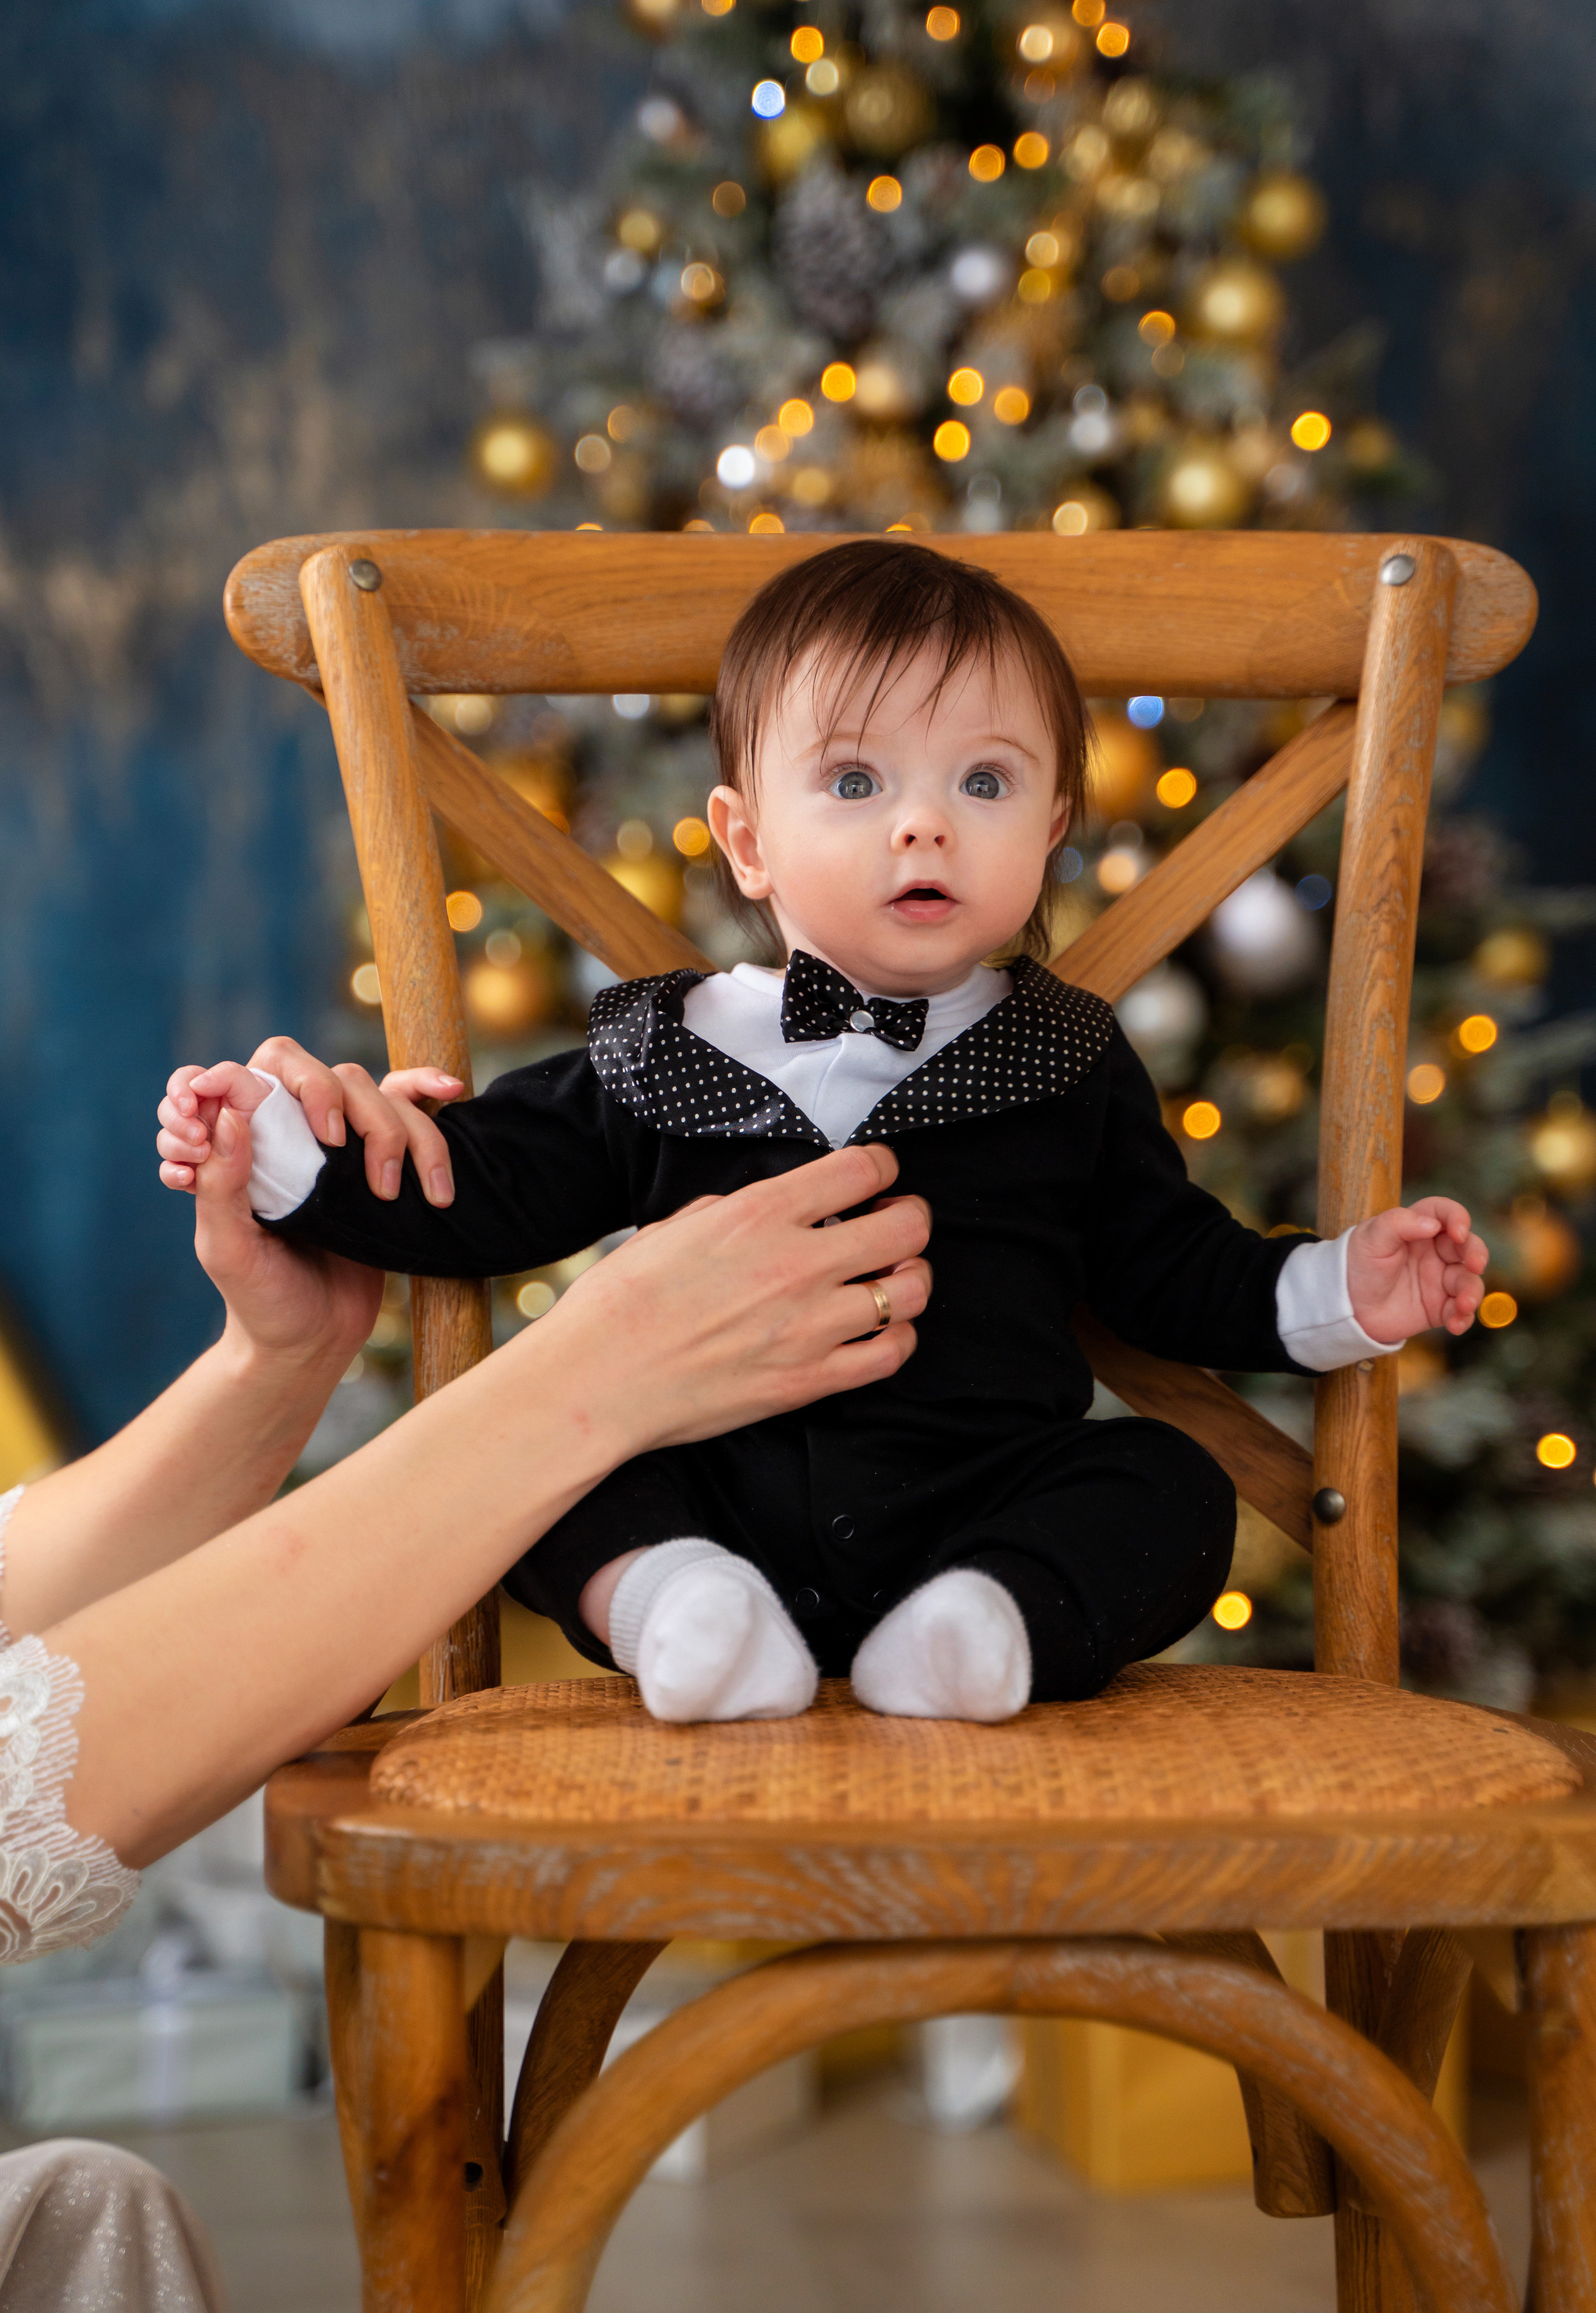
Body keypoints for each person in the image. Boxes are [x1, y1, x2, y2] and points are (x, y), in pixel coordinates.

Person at [157, 539, 1488, 1733]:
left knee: (1171, 1489)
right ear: (746, 840)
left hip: (986, 1499)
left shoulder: (1065, 1056)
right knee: (542, 1463)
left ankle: (983, 1628)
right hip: (716, 1502)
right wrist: (281, 1157)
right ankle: (682, 1609)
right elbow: (475, 1189)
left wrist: (1338, 1288)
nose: (922, 821)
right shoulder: (661, 1049)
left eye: (983, 780)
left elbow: (1168, 1268)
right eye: (852, 780)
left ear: (1050, 831)